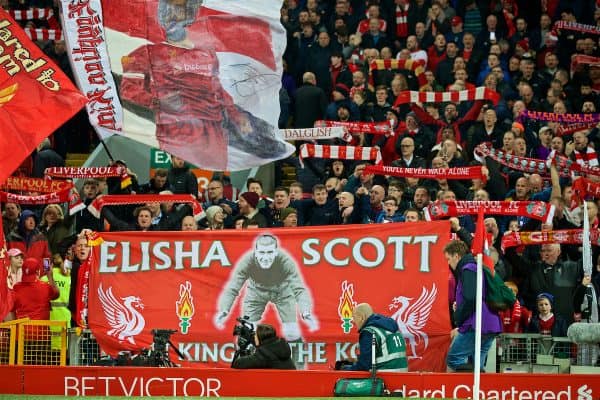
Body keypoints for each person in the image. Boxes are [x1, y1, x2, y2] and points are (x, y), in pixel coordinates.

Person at [214, 234, 318, 344]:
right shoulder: (247, 261)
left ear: (276, 252)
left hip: (282, 291)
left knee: (292, 332)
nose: (265, 257)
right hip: (256, 292)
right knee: (246, 332)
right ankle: (245, 360)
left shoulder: (286, 261)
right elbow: (232, 287)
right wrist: (224, 310)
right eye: (262, 252)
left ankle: (296, 361)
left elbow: (299, 289)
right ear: (256, 252)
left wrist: (306, 312)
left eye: (269, 252)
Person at [444, 240, 502, 372]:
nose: (448, 264)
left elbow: (471, 297)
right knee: (477, 365)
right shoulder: (477, 266)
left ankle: (460, 391)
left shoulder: (468, 268)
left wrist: (458, 315)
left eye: (448, 259)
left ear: (456, 256)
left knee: (454, 358)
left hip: (476, 324)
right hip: (491, 323)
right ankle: (477, 391)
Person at [340, 303, 408, 372]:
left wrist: (345, 369)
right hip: (403, 375)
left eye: (354, 317)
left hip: (384, 377)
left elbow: (364, 366)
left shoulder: (369, 332)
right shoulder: (391, 327)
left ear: (362, 317)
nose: (353, 321)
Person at [231, 324, 296, 370]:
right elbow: (265, 344)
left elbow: (238, 364)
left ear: (259, 337)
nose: (254, 336)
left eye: (255, 335)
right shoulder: (281, 346)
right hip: (289, 383)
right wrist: (249, 336)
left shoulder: (263, 355)